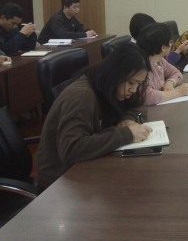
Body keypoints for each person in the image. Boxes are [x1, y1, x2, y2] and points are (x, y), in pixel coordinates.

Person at [35, 44, 154, 188]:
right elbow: (71, 150)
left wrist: (127, 120)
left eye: (139, 84)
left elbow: (137, 106)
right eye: (131, 83)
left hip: (84, 168)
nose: (134, 90)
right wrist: (126, 134)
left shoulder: (108, 87)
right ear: (115, 73)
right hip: (58, 182)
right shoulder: (81, 96)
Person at [137, 23, 188, 105]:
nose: (172, 44)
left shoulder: (160, 60)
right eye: (170, 42)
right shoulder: (144, 66)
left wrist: (170, 82)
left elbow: (176, 73)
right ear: (163, 48)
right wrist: (178, 92)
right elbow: (146, 96)